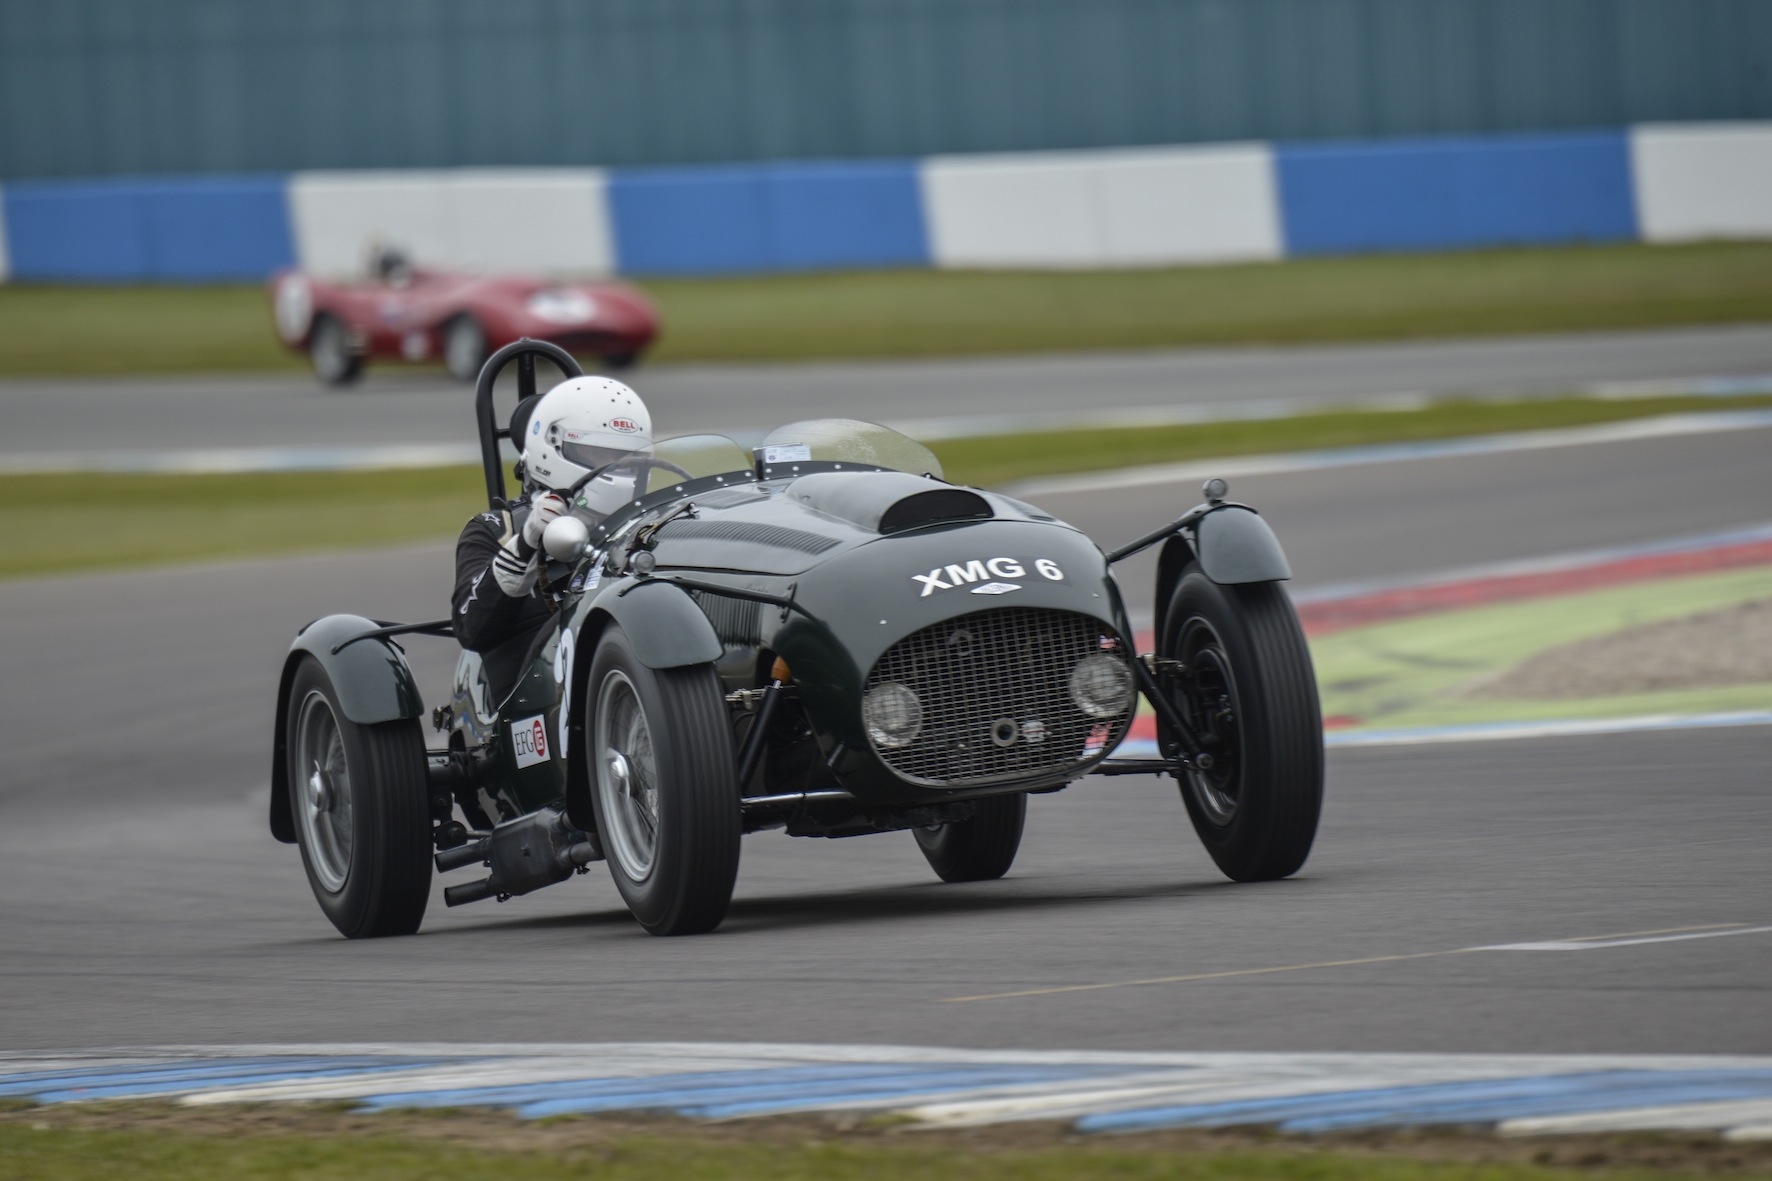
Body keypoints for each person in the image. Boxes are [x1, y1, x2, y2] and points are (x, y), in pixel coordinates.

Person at [452, 375, 652, 701]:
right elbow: (470, 628)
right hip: (530, 702)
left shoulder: (647, 528)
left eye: (627, 459)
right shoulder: (495, 529)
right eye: (598, 454)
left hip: (633, 683)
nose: (615, 469)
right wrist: (527, 543)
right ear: (553, 448)